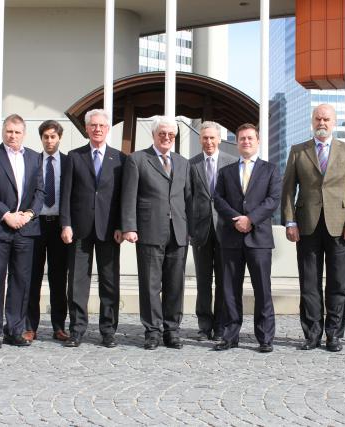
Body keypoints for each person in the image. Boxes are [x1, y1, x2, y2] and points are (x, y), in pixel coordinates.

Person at [281, 104, 345, 353]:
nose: (322, 122)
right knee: (309, 282)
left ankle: (334, 334)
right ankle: (312, 333)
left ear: (334, 122)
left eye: (327, 119)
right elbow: (288, 190)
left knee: (338, 283)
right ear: (312, 121)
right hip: (306, 225)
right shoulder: (298, 151)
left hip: (341, 227)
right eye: (318, 118)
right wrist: (289, 221)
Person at [121, 116, 192, 350]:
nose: (167, 138)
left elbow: (188, 199)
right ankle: (152, 331)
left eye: (171, 135)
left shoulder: (183, 163)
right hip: (149, 230)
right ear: (153, 135)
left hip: (178, 232)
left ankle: (172, 330)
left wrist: (190, 229)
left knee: (175, 284)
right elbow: (129, 195)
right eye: (162, 133)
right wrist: (129, 227)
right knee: (150, 285)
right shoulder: (138, 160)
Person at [0, 114, 44, 349]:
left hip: (26, 229)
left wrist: (29, 214)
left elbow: (40, 192)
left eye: (16, 132)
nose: (12, 135)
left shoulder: (35, 158)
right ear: (3, 132)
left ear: (23, 133)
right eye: (8, 131)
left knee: (21, 281)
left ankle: (15, 329)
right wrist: (7, 215)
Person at [60, 109, 126, 348]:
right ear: (87, 129)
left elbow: (122, 197)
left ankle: (108, 330)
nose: (97, 129)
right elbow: (65, 194)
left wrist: (122, 225)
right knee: (77, 282)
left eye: (101, 126)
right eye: (93, 125)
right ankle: (77, 329)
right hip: (79, 229)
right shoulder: (74, 157)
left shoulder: (120, 159)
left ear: (108, 129)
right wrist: (65, 224)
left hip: (110, 231)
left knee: (109, 282)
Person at [213, 123, 281, 353]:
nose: (246, 142)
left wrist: (250, 219)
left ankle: (265, 337)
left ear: (258, 141)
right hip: (231, 238)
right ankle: (230, 335)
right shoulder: (226, 171)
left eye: (250, 138)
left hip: (259, 239)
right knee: (230, 289)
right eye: (242, 138)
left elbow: (272, 200)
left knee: (262, 288)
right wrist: (236, 219)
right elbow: (218, 199)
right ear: (237, 142)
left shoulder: (270, 169)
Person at [189, 121, 237, 342]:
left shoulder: (232, 162)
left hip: (225, 231)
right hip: (200, 232)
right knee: (203, 281)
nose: (208, 142)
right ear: (200, 139)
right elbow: (187, 199)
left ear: (219, 139)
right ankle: (203, 325)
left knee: (223, 280)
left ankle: (220, 325)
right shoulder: (192, 164)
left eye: (212, 138)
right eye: (204, 138)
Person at [24, 120, 69, 342]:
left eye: (53, 136)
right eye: (46, 137)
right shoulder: (33, 161)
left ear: (59, 137)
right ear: (41, 139)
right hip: (36, 224)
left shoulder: (69, 162)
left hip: (60, 225)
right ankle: (30, 326)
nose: (49, 140)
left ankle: (59, 326)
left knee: (58, 278)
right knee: (32, 277)